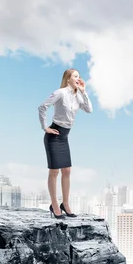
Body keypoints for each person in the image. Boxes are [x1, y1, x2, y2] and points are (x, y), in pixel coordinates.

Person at [38, 69, 93, 219]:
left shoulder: (78, 96)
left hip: (64, 137)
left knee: (67, 171)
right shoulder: (60, 93)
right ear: (68, 78)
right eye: (75, 76)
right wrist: (45, 127)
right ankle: (54, 205)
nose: (78, 78)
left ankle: (65, 204)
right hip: (54, 135)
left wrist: (83, 91)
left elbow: (89, 109)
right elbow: (43, 106)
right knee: (54, 172)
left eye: (79, 76)